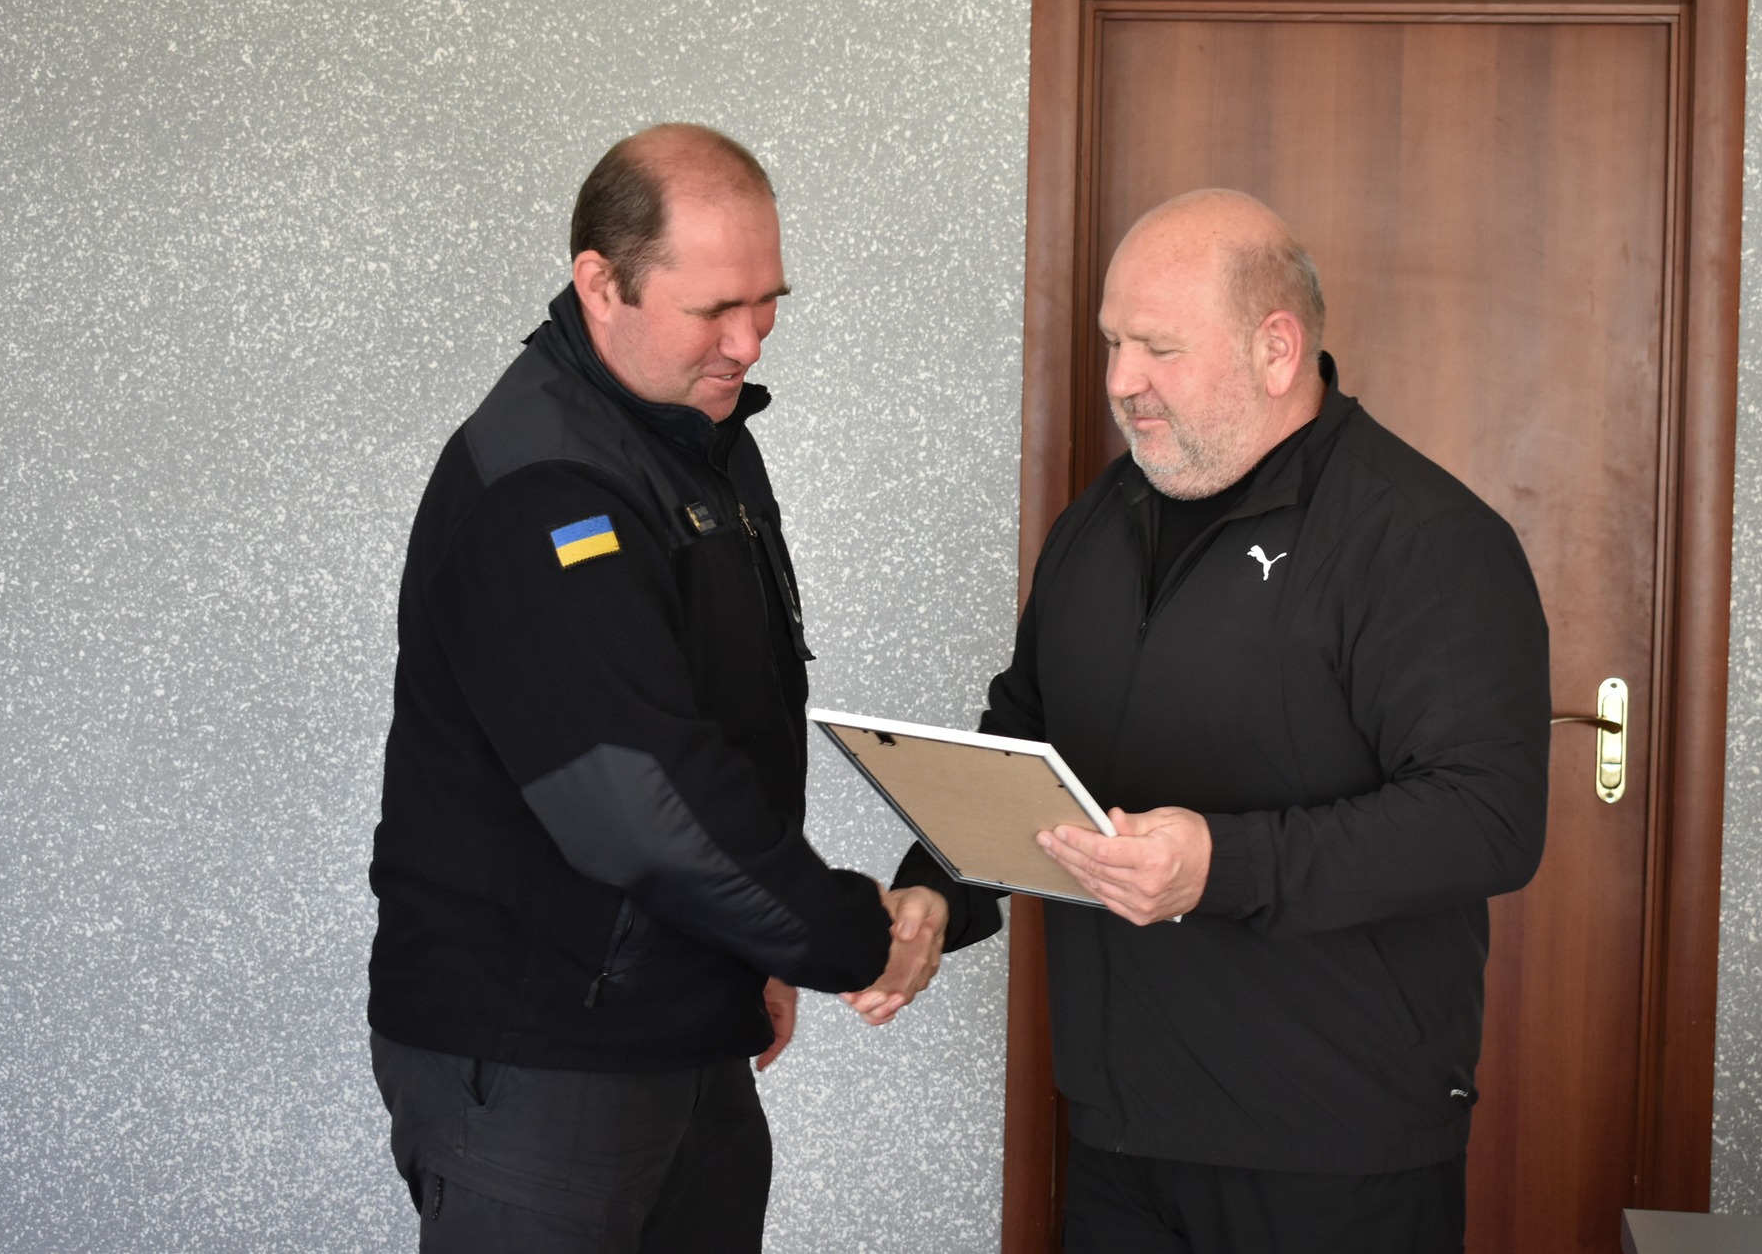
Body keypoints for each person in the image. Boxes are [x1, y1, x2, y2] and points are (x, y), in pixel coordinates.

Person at [898, 189, 1551, 1252]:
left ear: (1275, 349)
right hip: (1120, 1132)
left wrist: (1220, 864)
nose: (1120, 380)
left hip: (1334, 1148)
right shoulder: (1095, 522)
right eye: (1112, 342)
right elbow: (1026, 733)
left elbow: (1487, 818)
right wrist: (935, 889)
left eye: (1157, 348)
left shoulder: (1420, 539)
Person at [366, 123, 944, 1253]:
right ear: (601, 283)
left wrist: (753, 948)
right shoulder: (544, 484)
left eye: (767, 302)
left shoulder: (695, 440)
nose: (749, 341)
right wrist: (832, 934)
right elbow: (639, 799)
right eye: (714, 308)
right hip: (537, 1057)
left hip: (679, 1021)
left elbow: (722, 724)